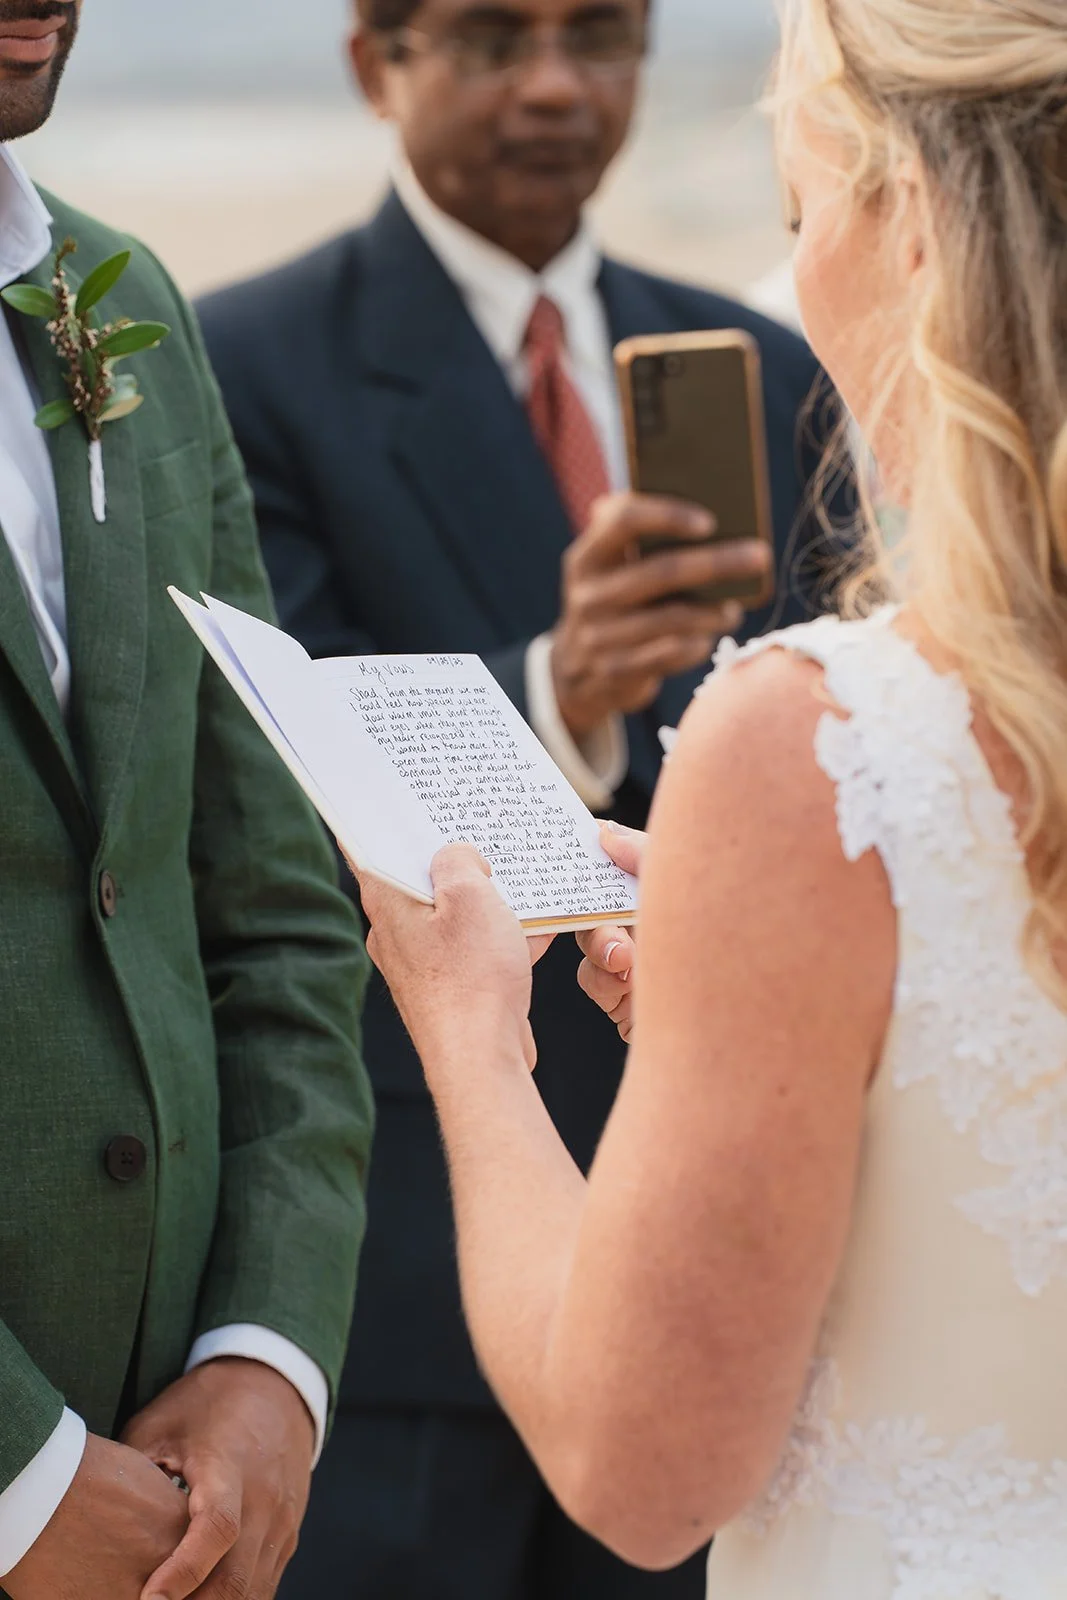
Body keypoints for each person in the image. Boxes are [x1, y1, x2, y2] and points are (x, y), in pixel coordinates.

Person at [351, 0, 1067, 1594]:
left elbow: (642, 1471)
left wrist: (470, 1033)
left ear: (905, 233)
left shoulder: (818, 736)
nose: (792, 280)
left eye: (801, 216)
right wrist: (761, 986)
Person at [200, 3, 845, 1596]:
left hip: (712, 1235)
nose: (555, 83)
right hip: (404, 1264)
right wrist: (560, 687)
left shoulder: (764, 363)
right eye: (494, 35)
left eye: (601, 34)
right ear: (376, 64)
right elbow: (264, 795)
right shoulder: (245, 359)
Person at [0, 4, 374, 1600]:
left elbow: (270, 894)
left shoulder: (116, 297)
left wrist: (264, 1358)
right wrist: (17, 1473)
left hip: (182, 1512)